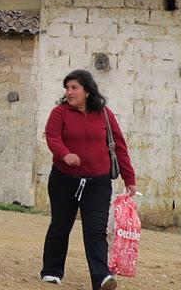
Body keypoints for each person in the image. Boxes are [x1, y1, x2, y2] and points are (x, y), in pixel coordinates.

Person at [41, 69, 136, 290]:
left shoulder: (104, 114)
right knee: (61, 224)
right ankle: (52, 271)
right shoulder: (59, 113)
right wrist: (65, 154)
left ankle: (101, 277)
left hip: (98, 183)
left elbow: (119, 146)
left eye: (74, 88)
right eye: (67, 88)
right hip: (64, 180)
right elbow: (52, 138)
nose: (69, 92)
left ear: (87, 91)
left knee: (95, 230)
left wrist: (129, 178)